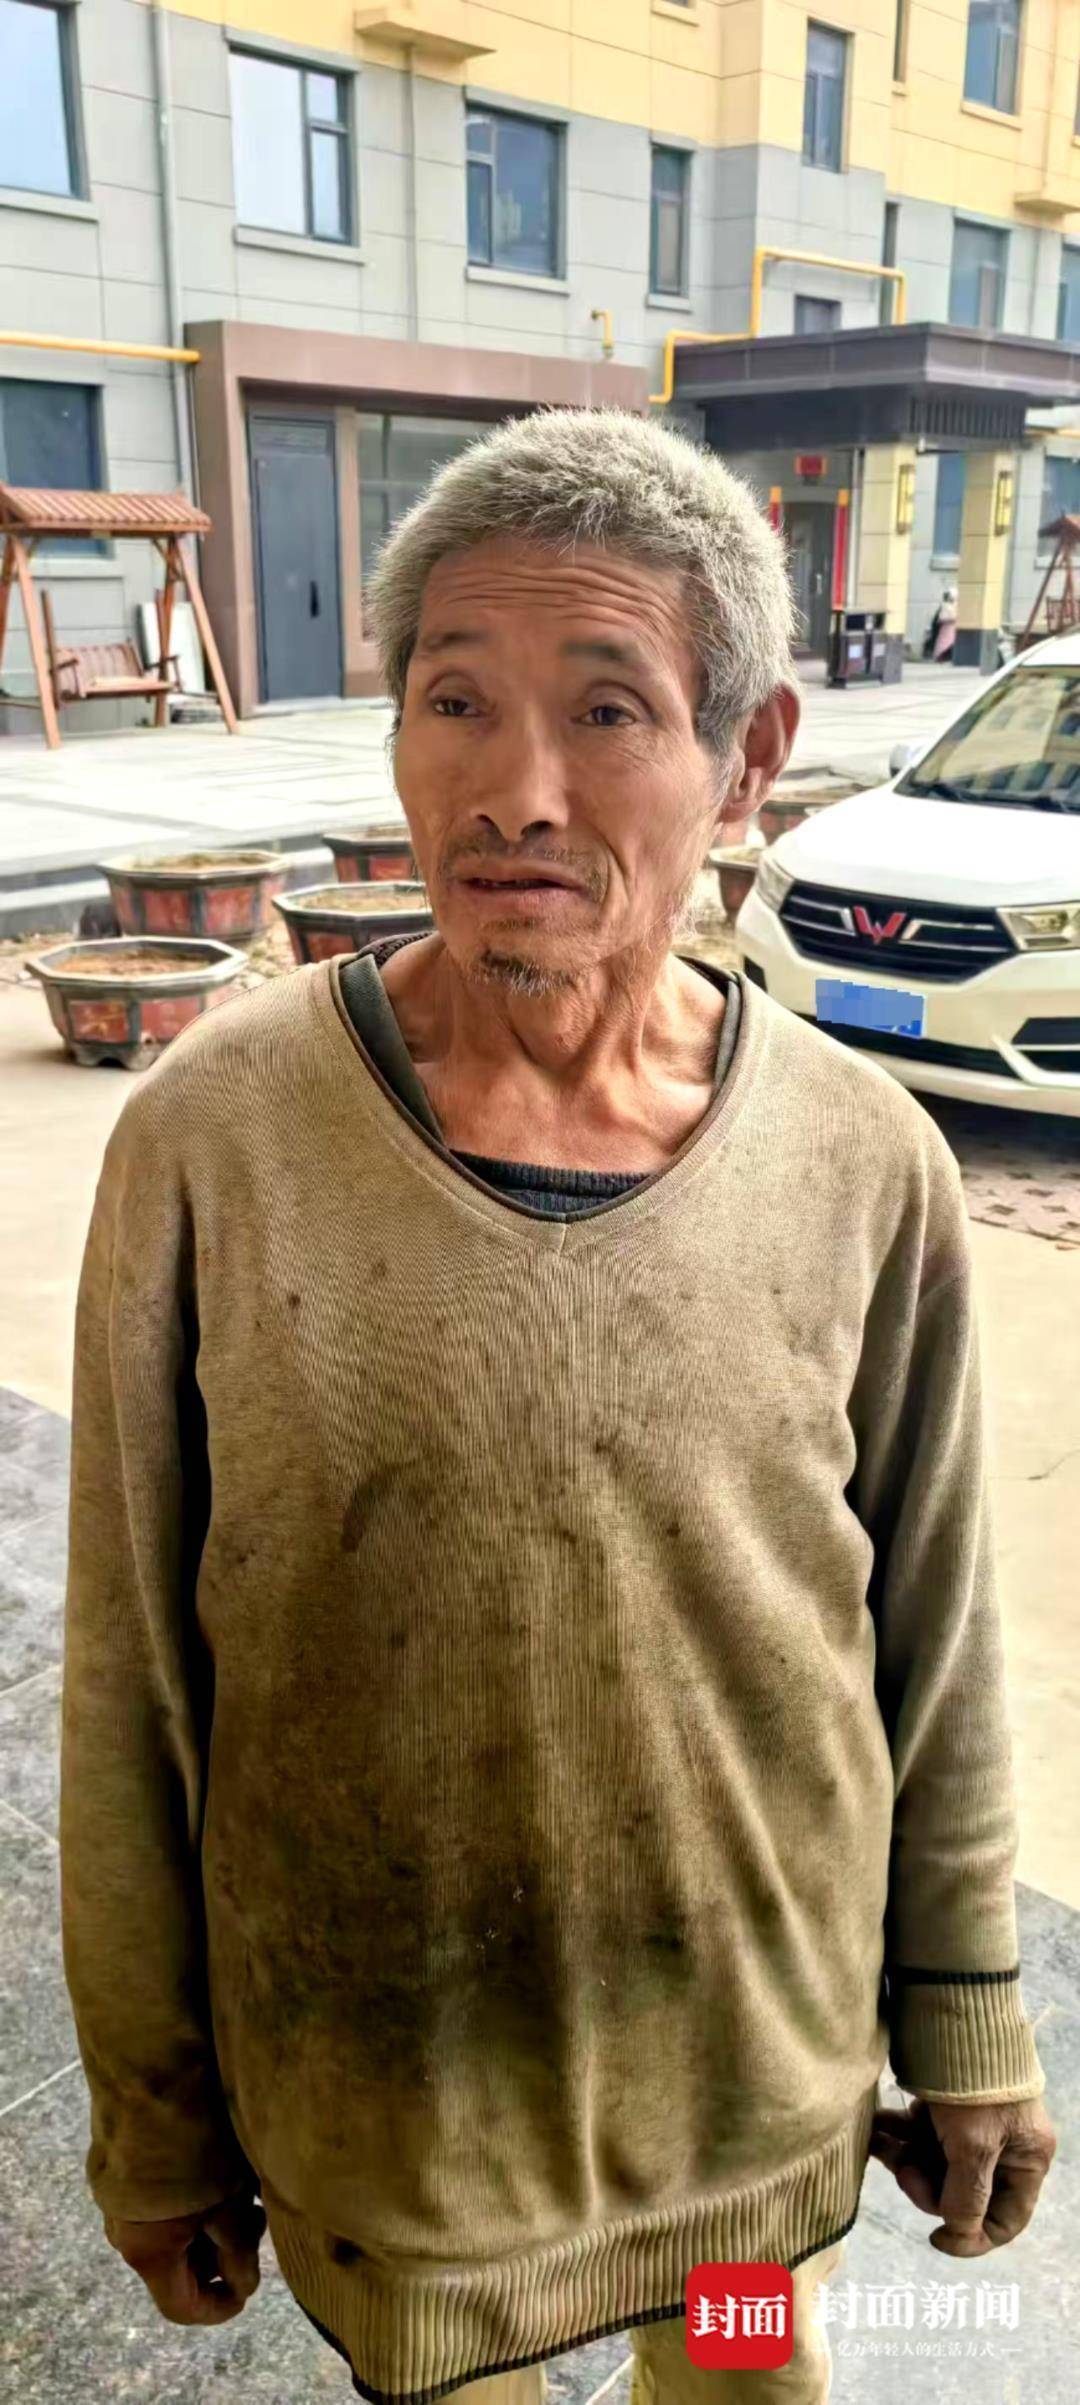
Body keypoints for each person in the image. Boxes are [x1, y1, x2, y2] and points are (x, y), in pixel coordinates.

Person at [60, 410, 1054, 2405]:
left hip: (753, 2122)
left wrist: (968, 2010)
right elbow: (133, 1675)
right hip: (393, 2125)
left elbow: (937, 1644)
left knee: (752, 2375)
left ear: (749, 758)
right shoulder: (213, 1145)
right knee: (446, 2382)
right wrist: (153, 2105)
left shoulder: (865, 1162)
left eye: (609, 709)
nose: (515, 789)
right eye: (456, 702)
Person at [923, 586, 957, 661]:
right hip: (946, 629)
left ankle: (943, 656)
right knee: (944, 642)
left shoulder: (951, 605)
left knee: (947, 642)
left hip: (949, 629)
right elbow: (940, 619)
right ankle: (940, 656)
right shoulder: (945, 605)